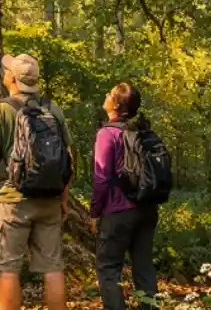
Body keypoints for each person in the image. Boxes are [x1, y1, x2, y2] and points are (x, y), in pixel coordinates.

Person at [0, 53, 72, 310]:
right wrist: (63, 200)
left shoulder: (0, 110)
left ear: (13, 79)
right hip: (49, 200)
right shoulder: (53, 110)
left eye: (8, 71)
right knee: (52, 268)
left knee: (8, 269)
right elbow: (69, 160)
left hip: (11, 201)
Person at [91, 83, 159, 310]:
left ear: (116, 105)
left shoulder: (107, 134)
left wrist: (95, 211)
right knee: (144, 266)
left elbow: (101, 177)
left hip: (117, 211)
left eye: (109, 94)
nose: (105, 95)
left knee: (109, 269)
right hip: (147, 208)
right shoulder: (142, 131)